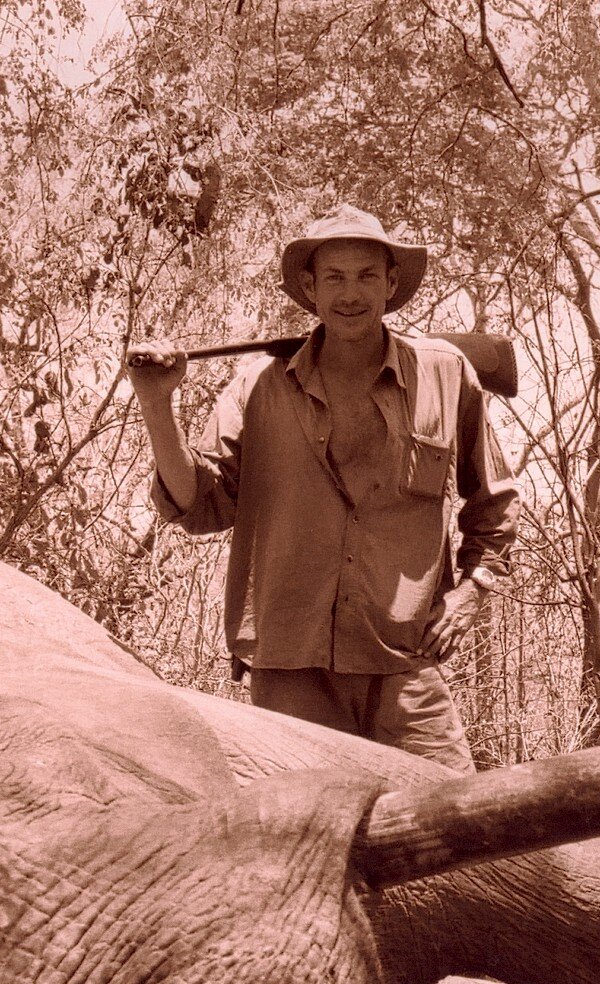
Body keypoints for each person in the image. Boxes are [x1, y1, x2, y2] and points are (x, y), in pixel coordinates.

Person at [126, 204, 516, 771]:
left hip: (404, 658)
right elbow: (197, 506)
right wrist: (155, 403)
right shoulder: (257, 384)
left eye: (365, 275)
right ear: (309, 286)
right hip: (291, 663)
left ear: (390, 283)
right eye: (334, 276)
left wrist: (471, 593)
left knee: (457, 829)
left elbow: (495, 503)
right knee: (304, 840)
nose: (350, 293)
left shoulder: (444, 371)